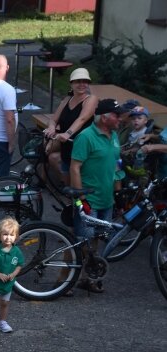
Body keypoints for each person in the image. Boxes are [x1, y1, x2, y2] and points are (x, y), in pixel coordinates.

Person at [69, 98, 126, 294]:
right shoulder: (86, 137)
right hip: (89, 199)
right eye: (116, 115)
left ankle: (87, 279)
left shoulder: (114, 135)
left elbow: (117, 162)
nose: (120, 118)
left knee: (95, 240)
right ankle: (63, 281)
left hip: (106, 200)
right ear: (103, 117)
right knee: (80, 241)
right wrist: (80, 198)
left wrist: (118, 192)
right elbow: (75, 167)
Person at [42, 68, 99, 185]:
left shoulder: (91, 99)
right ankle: (47, 180)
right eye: (78, 81)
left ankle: (68, 188)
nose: (82, 84)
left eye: (85, 81)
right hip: (66, 143)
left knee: (53, 154)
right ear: (71, 83)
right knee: (46, 149)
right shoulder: (68, 99)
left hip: (80, 143)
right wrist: (52, 127)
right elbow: (53, 119)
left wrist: (67, 133)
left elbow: (82, 119)